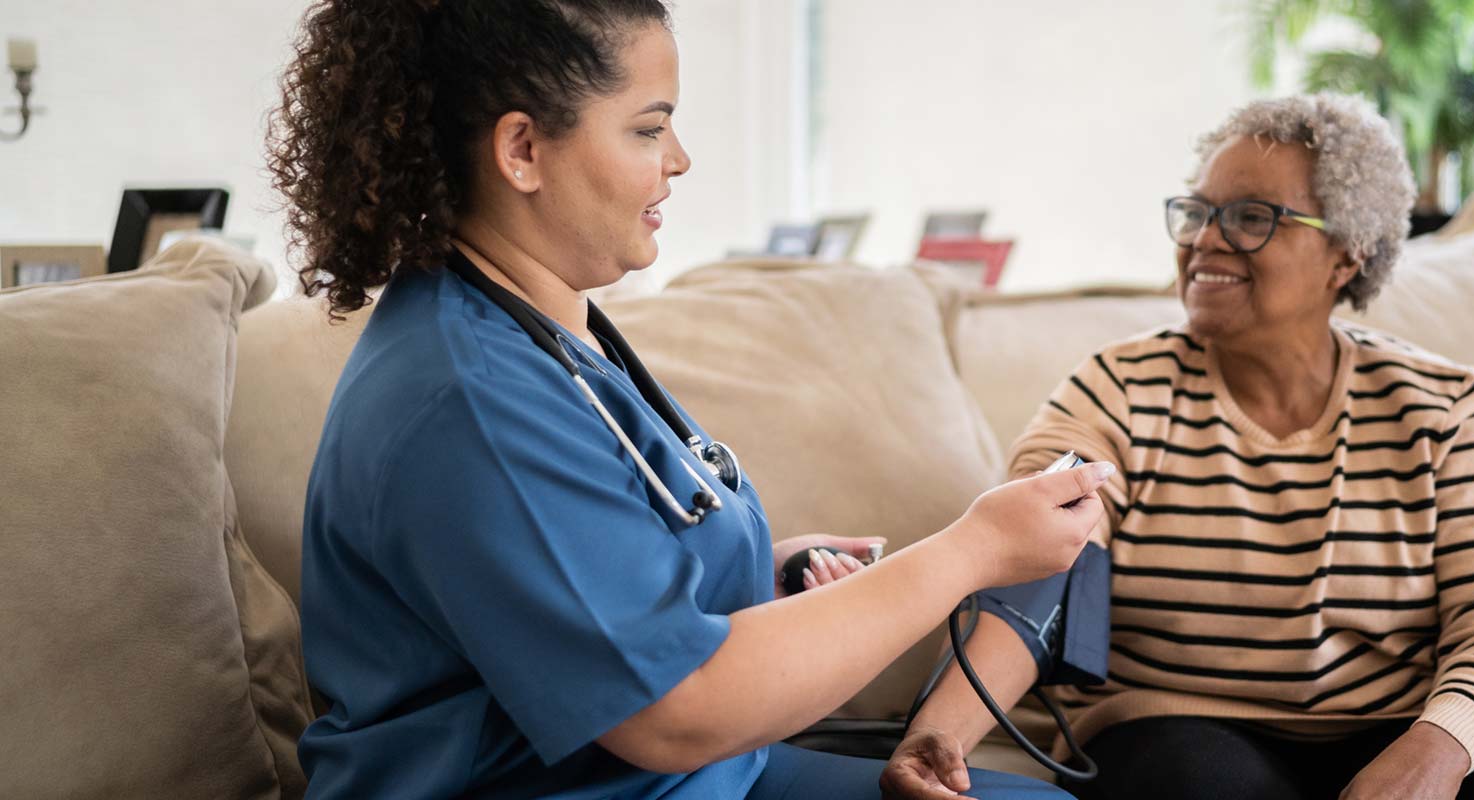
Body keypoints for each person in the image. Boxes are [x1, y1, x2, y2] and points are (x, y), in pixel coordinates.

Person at [267, 1, 1104, 797]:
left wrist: (757, 572)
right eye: (648, 127)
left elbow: (592, 582)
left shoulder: (542, 326)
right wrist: (973, 552)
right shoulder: (471, 398)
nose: (678, 159)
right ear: (521, 149)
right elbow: (676, 711)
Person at [883, 94, 1474, 800]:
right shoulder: (1118, 391)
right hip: (1181, 729)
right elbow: (1032, 564)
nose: (1205, 240)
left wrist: (1437, 751)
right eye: (1197, 212)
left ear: (1347, 254)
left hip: (1395, 721)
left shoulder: (1446, 410)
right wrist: (939, 736)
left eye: (1251, 217)